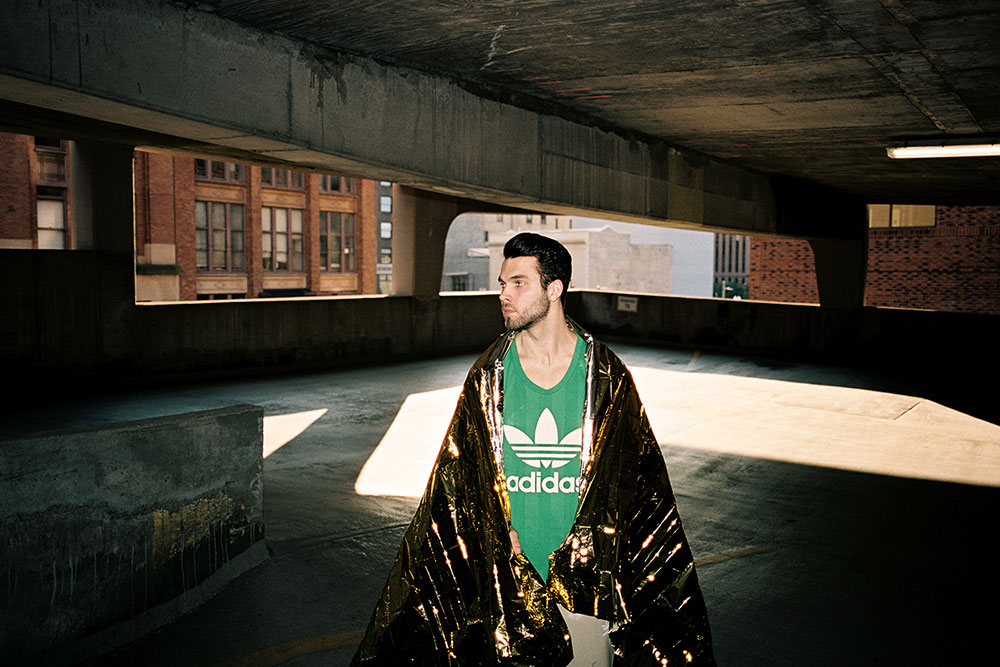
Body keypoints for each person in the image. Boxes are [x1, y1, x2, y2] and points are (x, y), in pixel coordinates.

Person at [352, 233, 714, 666]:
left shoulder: (605, 378)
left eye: (518, 283)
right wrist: (493, 536)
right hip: (505, 582)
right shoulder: (489, 376)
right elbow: (460, 483)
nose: (503, 295)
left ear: (554, 289)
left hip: (583, 588)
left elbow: (637, 486)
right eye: (502, 283)